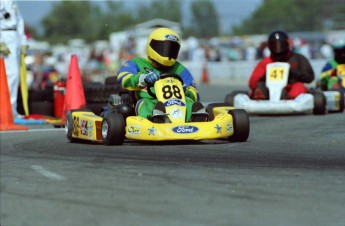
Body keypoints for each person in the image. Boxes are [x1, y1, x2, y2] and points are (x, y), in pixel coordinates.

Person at [116, 27, 204, 122]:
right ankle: (157, 118)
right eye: (164, 47)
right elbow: (123, 78)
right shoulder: (137, 63)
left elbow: (194, 91)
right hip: (150, 100)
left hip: (177, 102)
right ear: (153, 45)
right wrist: (143, 79)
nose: (168, 52)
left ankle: (196, 117)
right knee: (146, 104)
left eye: (172, 49)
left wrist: (186, 91)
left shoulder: (179, 68)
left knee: (189, 102)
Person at [248, 30, 314, 100]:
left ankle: (290, 99)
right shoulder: (265, 62)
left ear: (287, 44)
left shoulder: (298, 59)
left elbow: (310, 77)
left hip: (290, 89)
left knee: (299, 86)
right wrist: (264, 77)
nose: (278, 48)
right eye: (274, 45)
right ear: (270, 46)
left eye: (280, 45)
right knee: (260, 86)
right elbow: (252, 83)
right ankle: (260, 97)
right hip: (268, 92)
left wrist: (295, 74)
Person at [0, 0, 28, 117]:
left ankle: (12, 108)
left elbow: (19, 21)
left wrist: (23, 41)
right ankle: (8, 108)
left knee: (14, 76)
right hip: (4, 35)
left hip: (14, 36)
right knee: (12, 74)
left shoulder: (13, 2)